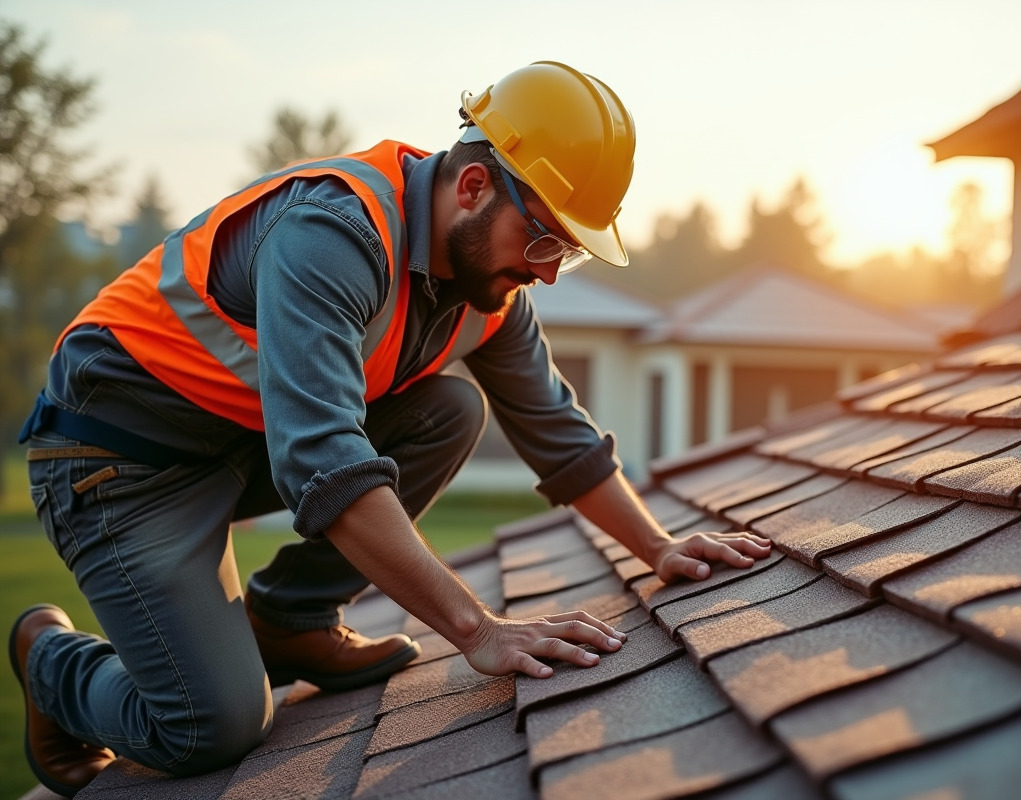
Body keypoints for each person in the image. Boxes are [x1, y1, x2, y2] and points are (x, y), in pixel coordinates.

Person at [9, 61, 773, 796]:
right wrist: (476, 630)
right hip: (119, 464)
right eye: (545, 239)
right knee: (210, 728)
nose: (546, 271)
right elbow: (324, 461)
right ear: (474, 185)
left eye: (566, 254)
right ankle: (51, 661)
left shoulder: (487, 290)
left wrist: (658, 547)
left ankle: (291, 619)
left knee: (451, 410)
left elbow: (557, 432)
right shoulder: (333, 234)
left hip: (238, 444)